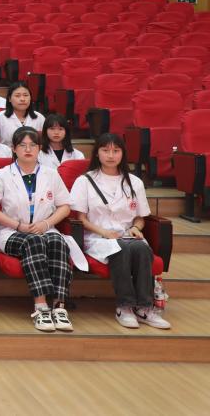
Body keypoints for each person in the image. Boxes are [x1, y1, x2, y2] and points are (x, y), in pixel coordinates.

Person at [0, 127, 82, 332]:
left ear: (39, 148)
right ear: (14, 148)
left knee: (57, 241)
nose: (28, 149)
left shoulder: (51, 174)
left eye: (33, 145)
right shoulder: (3, 174)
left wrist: (46, 224)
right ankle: (41, 306)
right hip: (12, 232)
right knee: (34, 241)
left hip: (45, 228)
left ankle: (59, 306)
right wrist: (18, 226)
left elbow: (65, 206)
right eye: (22, 145)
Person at [70, 133, 170, 329]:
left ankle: (145, 308)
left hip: (126, 235)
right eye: (105, 150)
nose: (111, 155)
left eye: (116, 151)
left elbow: (140, 217)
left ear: (123, 154)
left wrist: (135, 228)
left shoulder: (134, 182)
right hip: (98, 237)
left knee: (142, 248)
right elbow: (80, 218)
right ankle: (124, 307)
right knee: (120, 248)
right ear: (97, 153)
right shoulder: (85, 181)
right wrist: (104, 233)